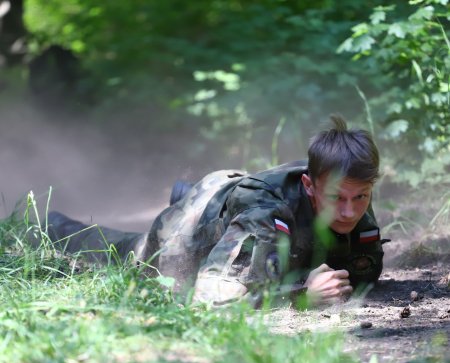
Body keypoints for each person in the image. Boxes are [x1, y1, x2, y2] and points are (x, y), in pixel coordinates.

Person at [46, 115, 386, 307]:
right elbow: (208, 302)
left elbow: (361, 273)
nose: (349, 211)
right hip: (184, 235)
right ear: (311, 187)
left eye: (361, 197)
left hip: (231, 196)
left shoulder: (351, 197)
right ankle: (50, 223)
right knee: (117, 250)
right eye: (337, 198)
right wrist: (302, 297)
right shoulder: (266, 218)